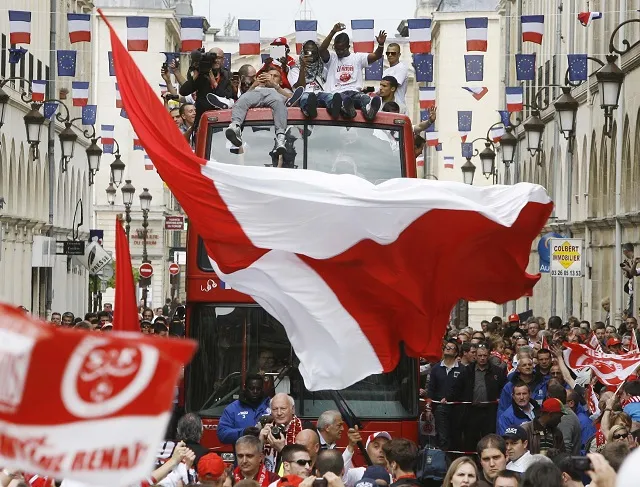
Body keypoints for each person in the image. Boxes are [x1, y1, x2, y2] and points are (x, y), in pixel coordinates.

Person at [224, 65, 304, 153]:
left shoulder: (282, 89)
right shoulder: (257, 86)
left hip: (275, 96)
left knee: (280, 104)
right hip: (257, 94)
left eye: (275, 76)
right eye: (269, 75)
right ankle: (235, 127)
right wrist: (255, 84)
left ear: (281, 81)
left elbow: (293, 100)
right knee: (242, 100)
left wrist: (275, 86)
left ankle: (280, 137)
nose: (271, 78)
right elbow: (244, 99)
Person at [317, 22, 386, 120]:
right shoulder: (332, 58)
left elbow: (376, 56)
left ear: (348, 47)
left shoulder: (357, 58)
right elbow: (322, 50)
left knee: (364, 98)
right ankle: (346, 109)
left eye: (342, 49)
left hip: (354, 93)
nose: (339, 52)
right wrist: (332, 32)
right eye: (336, 49)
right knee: (342, 99)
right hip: (337, 94)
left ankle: (368, 110)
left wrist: (381, 45)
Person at [453, 343, 506, 451]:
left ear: (488, 356)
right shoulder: (467, 371)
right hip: (471, 411)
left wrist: (500, 398)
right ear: (475, 356)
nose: (482, 358)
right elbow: (457, 389)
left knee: (490, 438)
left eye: (485, 356)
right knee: (471, 439)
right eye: (480, 355)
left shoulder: (497, 371)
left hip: (490, 411)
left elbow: (504, 388)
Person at [427, 340, 463, 452]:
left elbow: (463, 390)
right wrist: (428, 408)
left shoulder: (462, 369)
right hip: (439, 409)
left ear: (456, 353)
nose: (448, 349)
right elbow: (431, 389)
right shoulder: (436, 369)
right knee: (442, 437)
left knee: (455, 437)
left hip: (456, 409)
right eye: (446, 347)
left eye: (451, 348)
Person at [218, 374, 271, 445]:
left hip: (267, 454)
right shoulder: (232, 409)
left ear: (262, 389)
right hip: (243, 454)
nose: (255, 391)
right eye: (251, 388)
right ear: (245, 388)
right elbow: (222, 434)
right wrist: (243, 432)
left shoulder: (271, 406)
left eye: (258, 389)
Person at [381, 43, 408, 107]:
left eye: (393, 53)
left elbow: (391, 85)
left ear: (399, 55)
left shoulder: (402, 67)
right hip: (386, 106)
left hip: (398, 106)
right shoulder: (386, 71)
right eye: (388, 53)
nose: (390, 55)